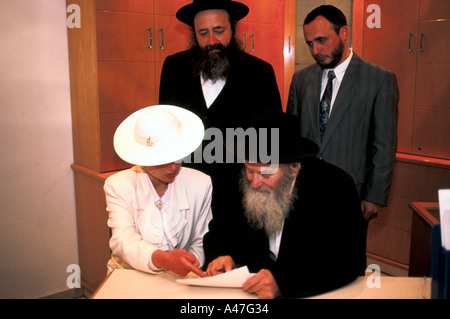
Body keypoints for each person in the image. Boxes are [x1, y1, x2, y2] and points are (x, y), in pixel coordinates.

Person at [203, 111, 367, 298]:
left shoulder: (335, 187)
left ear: (293, 167)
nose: (255, 183)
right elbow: (219, 232)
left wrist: (284, 283)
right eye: (250, 171)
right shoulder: (239, 182)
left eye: (265, 173)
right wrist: (219, 256)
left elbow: (349, 260)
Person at [159, 0, 282, 220]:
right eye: (203, 33)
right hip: (186, 198)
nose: (211, 41)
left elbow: (269, 145)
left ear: (233, 29)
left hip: (240, 201)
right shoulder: (174, 68)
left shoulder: (260, 73)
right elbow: (166, 131)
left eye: (219, 31)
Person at [286, 5, 399, 221]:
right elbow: (292, 139)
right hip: (304, 191)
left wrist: (375, 196)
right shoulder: (300, 80)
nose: (316, 51)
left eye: (322, 40)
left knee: (347, 254)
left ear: (343, 33)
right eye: (310, 44)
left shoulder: (379, 79)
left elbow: (384, 144)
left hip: (351, 194)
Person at [104, 105, 212, 278]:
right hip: (128, 275)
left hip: (181, 277)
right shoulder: (118, 185)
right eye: (163, 159)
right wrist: (164, 259)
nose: (173, 167)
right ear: (142, 157)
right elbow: (123, 240)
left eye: (178, 157)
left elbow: (202, 238)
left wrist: (190, 263)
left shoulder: (201, 183)